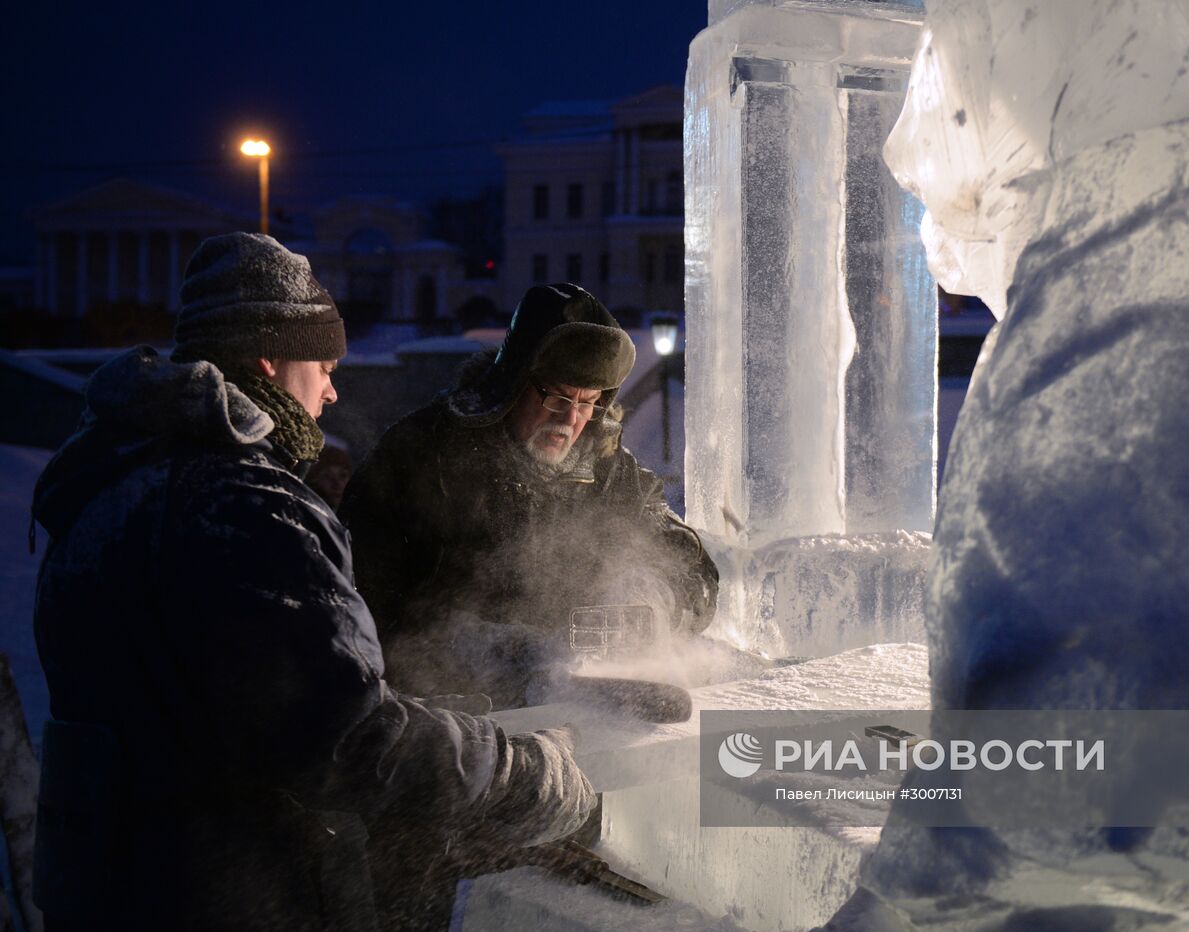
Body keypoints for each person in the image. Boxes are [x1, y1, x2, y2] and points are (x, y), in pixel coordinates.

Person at [30, 233, 595, 932]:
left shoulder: (105, 489)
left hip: (111, 890)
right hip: (238, 895)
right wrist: (527, 775)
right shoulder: (244, 507)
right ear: (271, 357)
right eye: (325, 364)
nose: (331, 390)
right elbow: (347, 740)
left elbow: (217, 706)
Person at [340, 282, 719, 708]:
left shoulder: (609, 469)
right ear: (514, 381)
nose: (570, 420)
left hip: (581, 714)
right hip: (454, 723)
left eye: (588, 402)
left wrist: (652, 600)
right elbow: (356, 614)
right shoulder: (421, 457)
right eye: (556, 397)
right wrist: (493, 653)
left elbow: (695, 573)